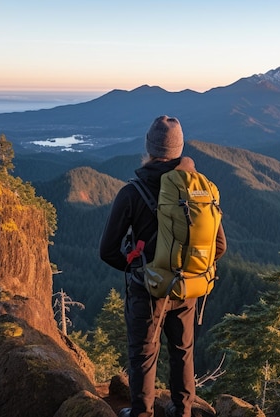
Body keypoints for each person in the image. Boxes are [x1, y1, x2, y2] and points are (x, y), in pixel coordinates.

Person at [99, 115, 227, 417]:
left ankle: (141, 413)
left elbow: (107, 251)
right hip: (187, 287)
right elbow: (219, 247)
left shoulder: (133, 192)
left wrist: (137, 268)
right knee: (183, 352)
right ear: (180, 149)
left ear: (149, 147)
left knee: (143, 356)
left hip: (147, 290)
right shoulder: (201, 190)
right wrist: (187, 268)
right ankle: (182, 411)